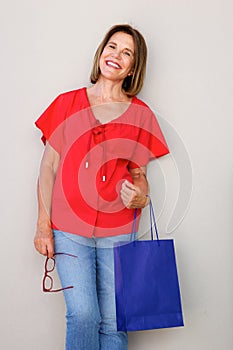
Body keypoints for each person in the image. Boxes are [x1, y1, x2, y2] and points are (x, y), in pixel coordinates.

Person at [34, 24, 169, 350]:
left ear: (133, 67)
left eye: (127, 53)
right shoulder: (67, 104)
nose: (116, 56)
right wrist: (42, 225)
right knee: (82, 314)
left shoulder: (141, 115)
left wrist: (141, 196)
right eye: (112, 47)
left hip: (119, 231)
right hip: (68, 228)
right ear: (101, 52)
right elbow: (48, 167)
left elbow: (140, 176)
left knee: (114, 322)